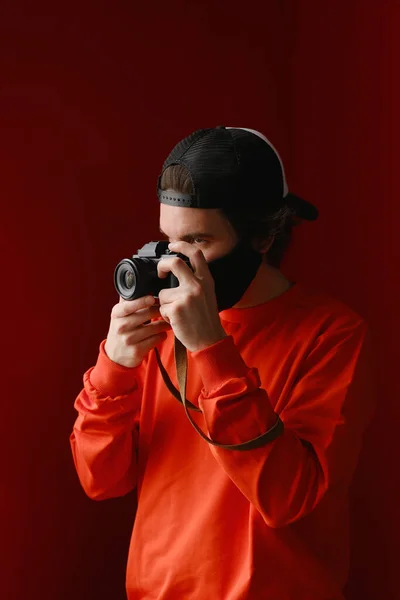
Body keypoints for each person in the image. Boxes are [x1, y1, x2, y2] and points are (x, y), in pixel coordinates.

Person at [70, 126, 375, 599]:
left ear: (261, 235)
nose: (176, 263)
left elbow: (289, 497)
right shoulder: (160, 322)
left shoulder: (332, 333)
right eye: (167, 240)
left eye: (198, 242)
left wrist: (212, 348)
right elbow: (99, 481)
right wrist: (115, 368)